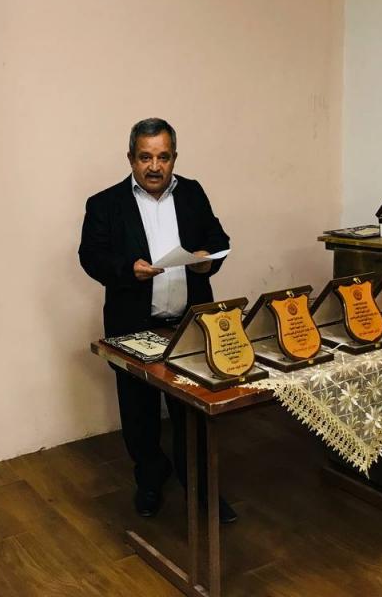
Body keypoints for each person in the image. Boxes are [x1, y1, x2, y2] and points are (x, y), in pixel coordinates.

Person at [78, 117, 236, 522]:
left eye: (163, 157)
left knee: (193, 412)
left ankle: (200, 489)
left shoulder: (193, 192)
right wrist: (127, 269)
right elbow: (90, 256)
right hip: (132, 324)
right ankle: (149, 478)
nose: (154, 166)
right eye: (145, 157)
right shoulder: (104, 203)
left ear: (174, 158)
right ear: (131, 158)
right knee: (139, 412)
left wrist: (207, 262)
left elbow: (218, 240)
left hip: (189, 324)